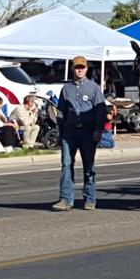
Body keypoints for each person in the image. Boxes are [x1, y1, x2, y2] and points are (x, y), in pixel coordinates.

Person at [53, 56, 107, 212]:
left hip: (88, 131)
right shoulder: (66, 89)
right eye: (77, 67)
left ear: (86, 69)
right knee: (66, 164)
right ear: (72, 69)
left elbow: (100, 110)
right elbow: (61, 111)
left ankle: (90, 199)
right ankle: (65, 199)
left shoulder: (93, 88)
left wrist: (98, 129)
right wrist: (61, 131)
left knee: (89, 166)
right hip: (70, 132)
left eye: (82, 67)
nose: (79, 70)